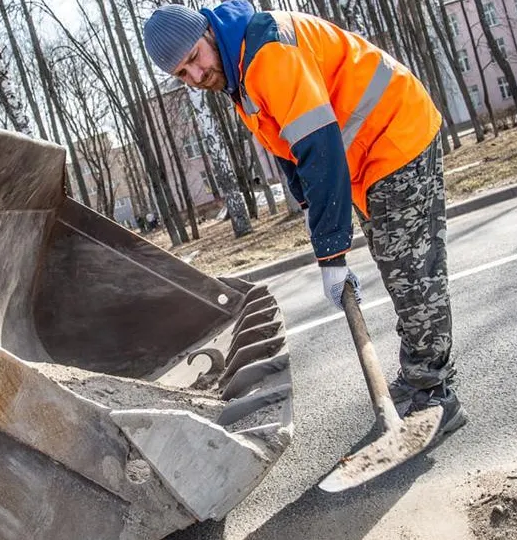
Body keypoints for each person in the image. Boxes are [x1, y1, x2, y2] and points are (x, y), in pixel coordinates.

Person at [142, 1, 465, 438]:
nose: (197, 76)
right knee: (400, 269)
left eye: (195, 58)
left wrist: (331, 254)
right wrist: (311, 207)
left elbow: (319, 146)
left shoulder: (268, 53)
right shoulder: (240, 70)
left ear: (208, 33)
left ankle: (436, 395)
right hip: (368, 156)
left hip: (394, 135)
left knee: (412, 274)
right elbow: (290, 148)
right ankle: (420, 375)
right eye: (183, 74)